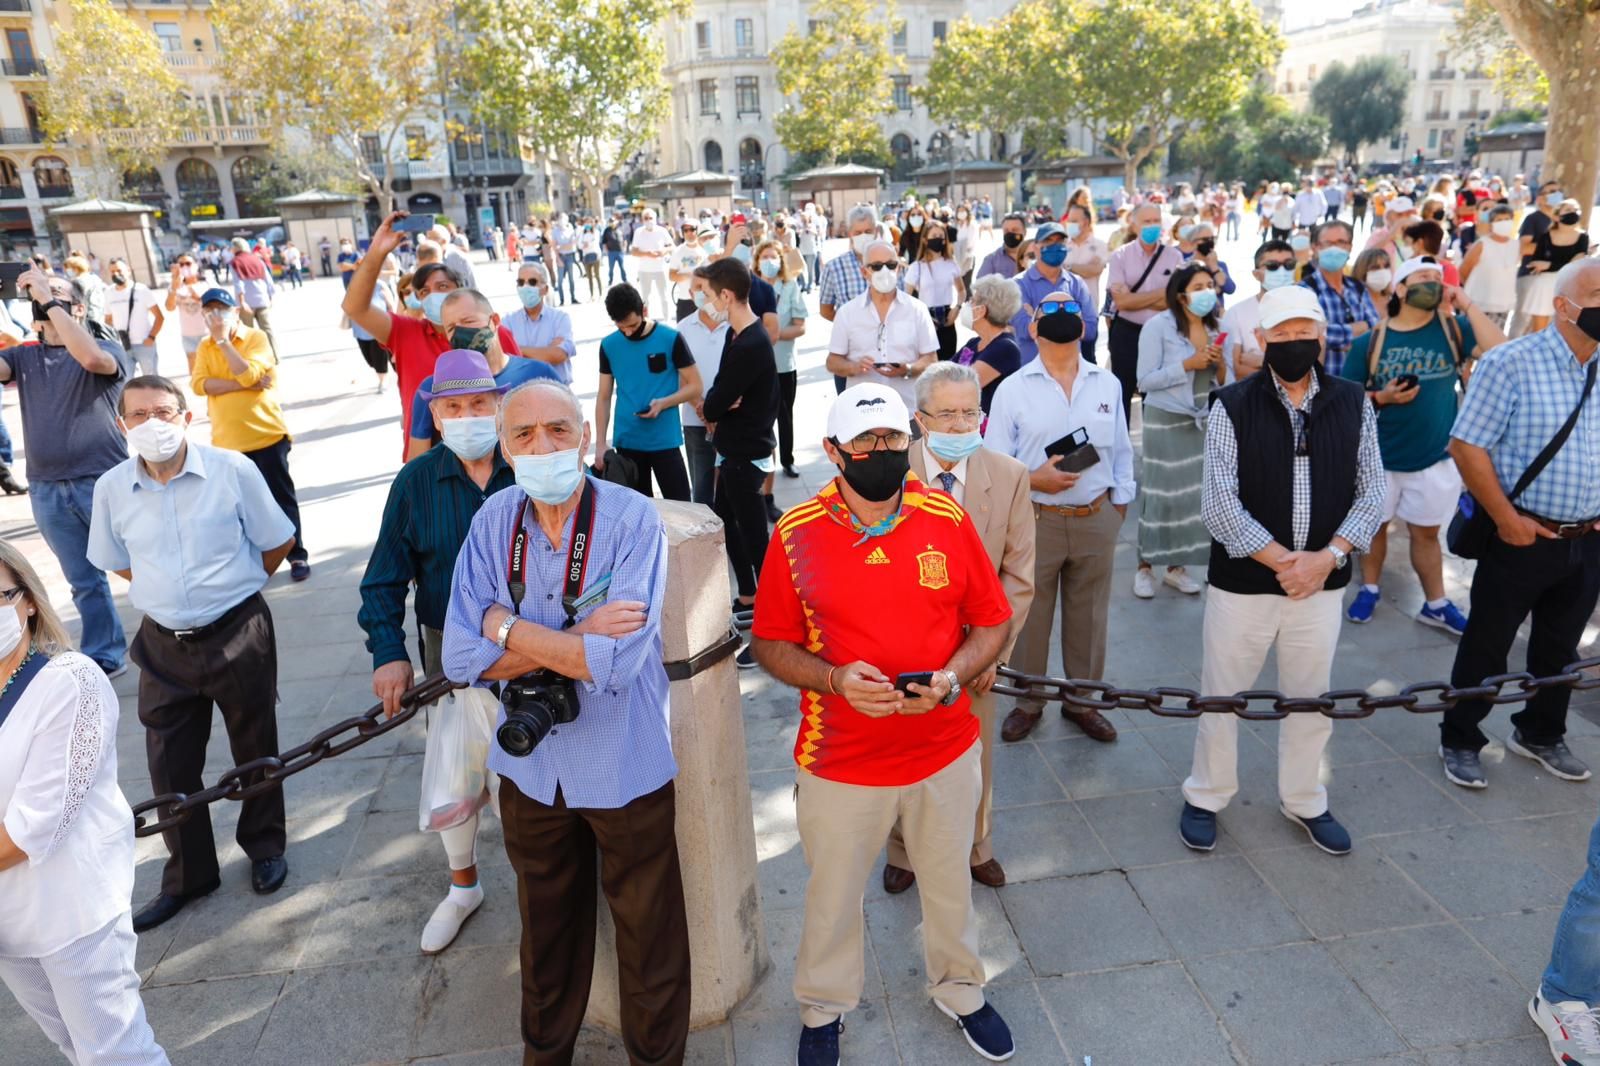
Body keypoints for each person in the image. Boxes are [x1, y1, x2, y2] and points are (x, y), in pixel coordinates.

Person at [749, 383, 1018, 1066]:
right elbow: (772, 644)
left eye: (892, 439)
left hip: (945, 750)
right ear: (834, 450)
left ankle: (960, 988)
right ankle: (822, 1007)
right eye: (864, 441)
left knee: (950, 882)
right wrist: (836, 679)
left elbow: (991, 620)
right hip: (841, 760)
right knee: (834, 896)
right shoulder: (795, 533)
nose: (880, 452)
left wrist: (952, 678)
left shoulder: (946, 519)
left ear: (910, 441)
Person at [442, 379, 691, 1065]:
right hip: (531, 766)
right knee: (544, 932)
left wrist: (506, 626)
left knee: (650, 933)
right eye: (523, 436)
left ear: (585, 436)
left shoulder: (634, 519)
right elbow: (461, 657)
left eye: (558, 430)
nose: (543, 446)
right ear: (505, 448)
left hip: (625, 762)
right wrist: (573, 636)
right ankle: (544, 1055)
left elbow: (616, 663)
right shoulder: (493, 523)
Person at [88, 374, 297, 930]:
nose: (152, 423)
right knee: (169, 762)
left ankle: (265, 847)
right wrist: (168, 597)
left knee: (255, 743)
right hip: (162, 643)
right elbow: (116, 558)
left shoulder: (233, 470)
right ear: (122, 425)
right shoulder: (111, 487)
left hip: (237, 630)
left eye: (163, 411)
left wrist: (232, 590)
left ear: (186, 416)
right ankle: (189, 876)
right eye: (138, 415)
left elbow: (278, 539)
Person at [1180, 285, 1383, 856]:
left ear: (1320, 336)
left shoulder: (1352, 400)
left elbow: (1372, 493)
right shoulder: (1232, 403)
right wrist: (1284, 563)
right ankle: (1207, 794)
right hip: (1245, 584)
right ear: (1261, 338)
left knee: (1309, 697)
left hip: (1320, 584)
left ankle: (1305, 799)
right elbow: (1219, 503)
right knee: (1222, 694)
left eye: (1304, 333)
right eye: (1283, 334)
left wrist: (1326, 558)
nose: (1295, 342)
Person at [359, 350, 517, 953]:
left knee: (528, 776)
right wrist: (386, 652)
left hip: (533, 647)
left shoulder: (528, 466)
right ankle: (463, 887)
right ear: (436, 414)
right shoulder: (416, 481)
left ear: (499, 404)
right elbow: (382, 578)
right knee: (456, 774)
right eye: (454, 407)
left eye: (480, 403)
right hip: (447, 651)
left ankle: (547, 884)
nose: (469, 416)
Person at [0, 540, 170, 1066]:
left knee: (118, 1055)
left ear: (27, 601)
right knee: (74, 1049)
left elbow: (33, 826)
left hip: (73, 913)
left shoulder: (70, 682)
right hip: (11, 923)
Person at [1439, 258, 1600, 790]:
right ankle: (1461, 737)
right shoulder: (1511, 363)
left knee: (1561, 644)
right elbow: (1467, 446)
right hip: (1521, 534)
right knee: (1488, 641)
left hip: (1587, 538)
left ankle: (1540, 732)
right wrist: (1507, 520)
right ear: (1563, 305)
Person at [878, 362, 1034, 894]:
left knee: (978, 757)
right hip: (901, 648)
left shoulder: (1009, 475)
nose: (962, 424)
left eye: (971, 412)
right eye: (948, 413)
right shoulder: (888, 474)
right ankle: (902, 850)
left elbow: (1018, 576)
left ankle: (976, 846)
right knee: (903, 751)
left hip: (977, 648)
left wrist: (994, 653)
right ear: (920, 420)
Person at [987, 294, 1135, 744]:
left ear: (1085, 325)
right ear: (1032, 328)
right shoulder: (1013, 388)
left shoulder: (1106, 384)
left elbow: (1122, 450)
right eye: (1046, 310)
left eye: (1069, 307)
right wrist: (1035, 481)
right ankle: (1027, 701)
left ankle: (1082, 702)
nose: (1059, 314)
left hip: (1095, 518)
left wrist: (1117, 508)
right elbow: (994, 464)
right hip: (1036, 519)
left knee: (1089, 617)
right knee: (1030, 617)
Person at [1341, 256, 1505, 634]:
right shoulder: (1371, 341)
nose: (1433, 282)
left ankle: (1435, 603)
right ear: (1400, 287)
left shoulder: (1455, 329)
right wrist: (1382, 397)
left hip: (1435, 458)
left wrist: (1467, 304)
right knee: (1374, 529)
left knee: (1426, 533)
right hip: (1378, 459)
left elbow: (1502, 352)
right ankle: (1369, 588)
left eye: (1438, 277)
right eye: (1423, 277)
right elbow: (1345, 401)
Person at [0, 268, 128, 674]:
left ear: (75, 307)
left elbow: (91, 357)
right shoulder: (22, 356)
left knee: (143, 564)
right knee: (84, 580)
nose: (44, 297)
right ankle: (107, 653)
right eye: (39, 296)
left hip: (103, 480)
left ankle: (179, 632)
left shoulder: (108, 348)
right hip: (47, 488)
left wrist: (50, 299)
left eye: (56, 294)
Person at [343, 213, 520, 449]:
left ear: (459, 289)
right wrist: (378, 250)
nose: (434, 294)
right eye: (424, 291)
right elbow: (355, 307)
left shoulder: (491, 333)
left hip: (497, 455)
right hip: (429, 458)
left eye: (442, 286)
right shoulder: (405, 333)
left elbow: (519, 388)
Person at [698, 259, 779, 655]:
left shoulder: (750, 342)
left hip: (746, 453)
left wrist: (718, 406)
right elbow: (717, 396)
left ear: (726, 296)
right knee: (726, 520)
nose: (705, 301)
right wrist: (718, 403)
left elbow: (712, 405)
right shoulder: (738, 335)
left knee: (755, 537)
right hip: (732, 451)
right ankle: (748, 595)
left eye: (710, 295)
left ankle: (771, 626)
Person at [1133, 262, 1224, 600]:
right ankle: (1144, 567)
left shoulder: (1217, 327)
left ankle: (1176, 567)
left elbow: (1222, 382)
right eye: (1198, 287)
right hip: (1165, 418)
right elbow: (1144, 380)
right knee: (1159, 495)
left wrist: (1218, 362)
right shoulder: (1159, 326)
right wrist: (1186, 365)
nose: (1206, 293)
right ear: (1182, 295)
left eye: (1209, 285)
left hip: (1200, 420)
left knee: (1190, 497)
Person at [405, 290, 561, 458]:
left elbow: (567, 437)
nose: (460, 332)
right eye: (451, 328)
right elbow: (416, 461)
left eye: (468, 321)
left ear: (494, 321)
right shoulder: (435, 388)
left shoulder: (539, 375)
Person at [593, 283, 701, 501]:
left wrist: (664, 403)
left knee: (682, 507)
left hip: (665, 440)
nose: (628, 332)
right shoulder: (609, 345)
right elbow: (604, 396)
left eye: (632, 324)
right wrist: (601, 444)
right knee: (637, 515)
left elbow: (695, 386)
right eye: (621, 327)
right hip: (627, 442)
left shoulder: (671, 338)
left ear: (644, 310)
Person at [825, 240, 937, 416]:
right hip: (862, 414)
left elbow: (931, 358)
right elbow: (833, 361)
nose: (885, 271)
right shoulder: (847, 313)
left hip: (907, 413)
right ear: (864, 272)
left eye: (891, 265)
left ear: (898, 268)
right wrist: (854, 367)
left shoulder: (917, 309)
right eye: (877, 266)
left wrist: (908, 369)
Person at [1107, 203, 1185, 420]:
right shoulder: (1120, 256)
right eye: (1147, 221)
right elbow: (1121, 302)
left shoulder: (1174, 257)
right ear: (1134, 224)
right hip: (1127, 332)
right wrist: (1162, 294)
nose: (1152, 226)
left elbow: (1176, 300)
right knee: (1122, 390)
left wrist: (1135, 298)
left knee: (1156, 392)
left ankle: (1154, 445)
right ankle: (1121, 448)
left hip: (1163, 332)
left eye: (1156, 221)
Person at [676, 273, 731, 507]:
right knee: (702, 489)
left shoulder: (734, 324)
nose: (700, 293)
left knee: (732, 489)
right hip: (695, 421)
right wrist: (703, 409)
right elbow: (680, 377)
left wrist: (718, 410)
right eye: (695, 288)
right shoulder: (682, 329)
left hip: (732, 419)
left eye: (705, 288)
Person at [1300, 220, 1378, 378]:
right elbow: (1311, 336)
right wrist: (1356, 330)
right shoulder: (1304, 291)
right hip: (1326, 384)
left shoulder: (1358, 287)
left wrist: (1333, 336)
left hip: (1361, 384)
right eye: (1328, 243)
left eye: (1341, 242)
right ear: (1315, 248)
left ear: (1350, 247)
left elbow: (1376, 331)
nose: (1334, 248)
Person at [758, 239, 808, 481]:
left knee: (785, 415)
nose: (769, 261)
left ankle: (787, 460)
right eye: (764, 256)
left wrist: (774, 335)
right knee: (760, 417)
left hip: (785, 363)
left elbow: (800, 326)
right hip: (757, 367)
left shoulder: (790, 286)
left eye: (773, 257)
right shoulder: (750, 289)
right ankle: (764, 461)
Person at [1014, 222, 1097, 366]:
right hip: (1033, 372)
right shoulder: (1018, 284)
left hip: (1071, 370)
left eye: (1059, 241)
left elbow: (1090, 329)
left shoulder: (1076, 283)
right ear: (1035, 247)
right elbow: (1024, 329)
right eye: (1048, 241)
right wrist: (1071, 319)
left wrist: (1039, 317)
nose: (1054, 246)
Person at [1221, 240, 1296, 383]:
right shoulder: (1236, 313)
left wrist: (1262, 360)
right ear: (1256, 274)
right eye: (1272, 266)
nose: (1282, 271)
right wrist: (1287, 370)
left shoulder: (1308, 311)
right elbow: (1236, 369)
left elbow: (1311, 368)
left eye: (1288, 265)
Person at [1517, 197, 1591, 336]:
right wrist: (1563, 264)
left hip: (1568, 287)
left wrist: (1549, 265)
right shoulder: (1545, 236)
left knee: (1564, 331)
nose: (1573, 213)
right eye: (1568, 210)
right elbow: (1536, 263)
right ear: (1557, 216)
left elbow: (1576, 266)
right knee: (1539, 332)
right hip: (1543, 286)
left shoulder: (1583, 237)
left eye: (1575, 210)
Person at [954, 274, 1024, 416]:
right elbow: (941, 373)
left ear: (982, 310)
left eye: (972, 301)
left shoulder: (1005, 348)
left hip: (990, 432)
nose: (968, 304)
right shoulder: (973, 343)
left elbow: (963, 388)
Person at [903, 218, 965, 362]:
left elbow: (961, 290)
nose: (938, 240)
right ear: (925, 240)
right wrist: (923, 317)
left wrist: (957, 308)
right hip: (926, 318)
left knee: (948, 362)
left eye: (941, 236)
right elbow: (906, 298)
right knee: (928, 364)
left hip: (948, 318)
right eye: (934, 236)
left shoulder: (951, 264)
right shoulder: (917, 267)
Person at [504, 262, 577, 384]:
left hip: (556, 391)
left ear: (545, 289)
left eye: (532, 282)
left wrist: (517, 349)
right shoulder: (508, 321)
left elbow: (558, 355)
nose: (525, 287)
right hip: (521, 393)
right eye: (521, 282)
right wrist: (546, 351)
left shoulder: (560, 318)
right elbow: (504, 358)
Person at [1460, 203, 1521, 330]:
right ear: (1492, 223)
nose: (1503, 222)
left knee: (1494, 342)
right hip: (1479, 303)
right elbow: (1464, 270)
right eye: (1499, 220)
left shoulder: (1516, 245)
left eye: (1507, 219)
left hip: (1502, 305)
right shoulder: (1482, 244)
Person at [104, 258, 164, 377]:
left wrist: (151, 337)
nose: (116, 274)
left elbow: (159, 317)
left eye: (119, 270)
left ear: (128, 270)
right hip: (122, 346)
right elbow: (108, 320)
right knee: (126, 382)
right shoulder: (108, 293)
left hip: (144, 344)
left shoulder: (141, 290)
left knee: (151, 380)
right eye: (112, 271)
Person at [228, 238, 278, 360]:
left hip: (247, 302)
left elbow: (238, 283)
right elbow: (268, 280)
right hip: (263, 299)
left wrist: (241, 301)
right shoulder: (258, 260)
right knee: (267, 330)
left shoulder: (235, 262)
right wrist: (270, 296)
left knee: (248, 333)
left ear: (235, 248)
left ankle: (253, 359)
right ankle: (274, 356)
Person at [164, 251, 209, 377]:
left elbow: (216, 304)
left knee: (212, 365)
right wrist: (174, 288)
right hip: (188, 334)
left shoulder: (207, 283)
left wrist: (196, 295)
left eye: (188, 263)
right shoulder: (175, 285)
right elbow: (169, 307)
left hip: (208, 332)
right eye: (181, 264)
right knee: (194, 371)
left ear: (196, 265)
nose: (185, 267)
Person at [628, 208, 674, 320]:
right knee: (645, 298)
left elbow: (672, 246)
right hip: (644, 270)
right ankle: (645, 319)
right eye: (646, 218)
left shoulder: (662, 231)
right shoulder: (639, 232)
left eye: (651, 218)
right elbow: (634, 251)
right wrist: (647, 254)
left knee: (664, 296)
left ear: (655, 219)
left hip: (660, 269)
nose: (649, 220)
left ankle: (666, 319)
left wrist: (664, 251)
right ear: (642, 220)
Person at [669, 222, 711, 322]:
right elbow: (671, 276)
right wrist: (689, 276)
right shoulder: (677, 251)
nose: (689, 233)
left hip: (704, 299)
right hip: (685, 299)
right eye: (686, 230)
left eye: (692, 229)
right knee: (683, 334)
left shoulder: (705, 250)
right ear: (682, 233)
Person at [977, 213, 1030, 281]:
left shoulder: (1036, 257)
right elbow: (980, 288)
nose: (1010, 233)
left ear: (1025, 232)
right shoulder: (992, 260)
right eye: (1006, 231)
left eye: (1015, 230)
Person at [550, 213, 579, 305]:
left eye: (564, 218)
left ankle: (573, 298)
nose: (562, 220)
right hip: (560, 257)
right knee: (560, 280)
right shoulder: (555, 231)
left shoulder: (570, 228)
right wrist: (558, 257)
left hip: (570, 255)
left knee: (571, 278)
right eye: (561, 218)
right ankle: (562, 300)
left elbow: (572, 244)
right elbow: (554, 246)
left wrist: (561, 246)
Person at [601, 216, 628, 285]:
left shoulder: (619, 229)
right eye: (610, 221)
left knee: (622, 267)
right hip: (611, 252)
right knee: (611, 268)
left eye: (613, 221)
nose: (612, 223)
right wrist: (607, 251)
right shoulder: (606, 230)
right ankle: (610, 280)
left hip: (620, 251)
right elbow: (604, 242)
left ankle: (625, 279)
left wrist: (624, 248)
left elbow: (624, 239)